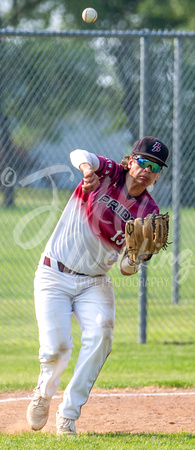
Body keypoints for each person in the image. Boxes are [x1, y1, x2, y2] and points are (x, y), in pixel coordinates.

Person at [27, 136, 169, 435]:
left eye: (154, 167)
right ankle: (43, 392)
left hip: (94, 282)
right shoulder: (108, 173)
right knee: (57, 349)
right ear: (130, 160)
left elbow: (127, 269)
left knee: (102, 332)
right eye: (142, 161)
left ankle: (68, 414)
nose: (146, 169)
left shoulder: (149, 212)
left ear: (157, 175)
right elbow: (80, 153)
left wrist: (135, 258)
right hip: (54, 273)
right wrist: (86, 170)